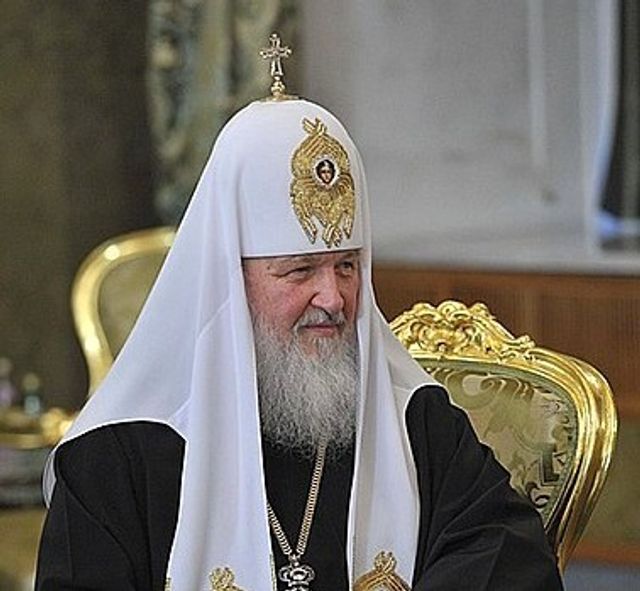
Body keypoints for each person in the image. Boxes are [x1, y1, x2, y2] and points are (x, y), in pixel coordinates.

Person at [35, 38, 563, 591]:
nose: (333, 299)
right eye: (300, 270)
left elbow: (508, 557)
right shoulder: (116, 457)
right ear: (231, 280)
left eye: (347, 267)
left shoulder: (416, 422)